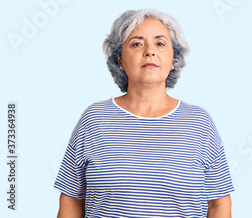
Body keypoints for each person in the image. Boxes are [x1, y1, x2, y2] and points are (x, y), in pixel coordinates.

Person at [54, 9, 234, 217]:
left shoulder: (200, 123)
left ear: (173, 57)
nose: (150, 51)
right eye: (137, 43)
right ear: (119, 58)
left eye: (160, 43)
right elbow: (71, 200)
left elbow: (218, 203)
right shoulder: (94, 119)